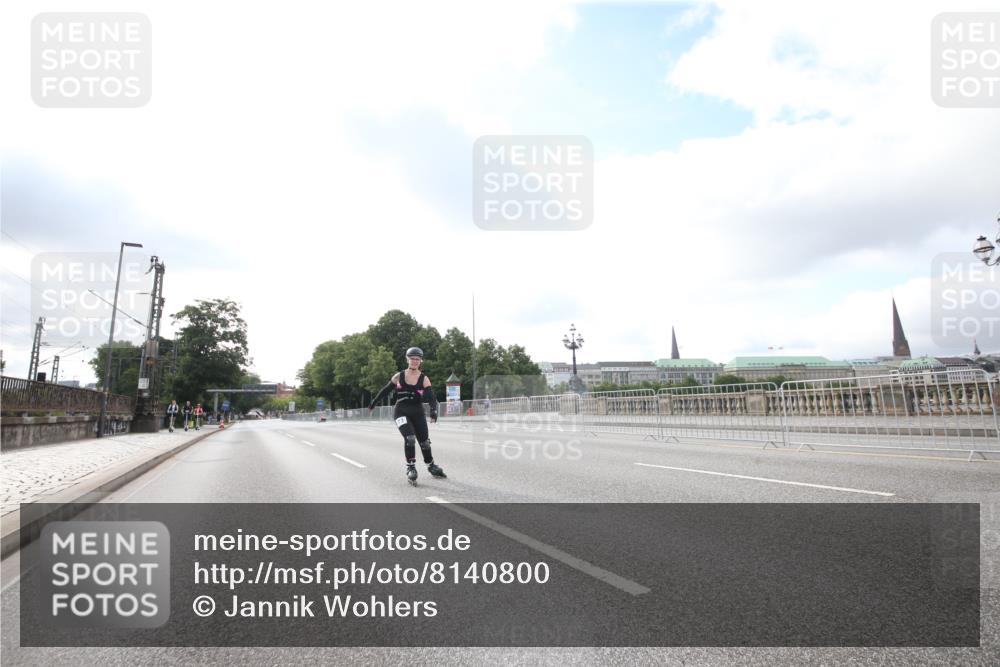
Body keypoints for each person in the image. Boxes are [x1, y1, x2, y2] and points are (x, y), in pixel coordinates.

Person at [368, 347, 445, 484]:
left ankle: (431, 465)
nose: (414, 361)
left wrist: (434, 411)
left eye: (417, 359)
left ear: (421, 361)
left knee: (425, 442)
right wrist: (373, 403)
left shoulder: (424, 379)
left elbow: (432, 398)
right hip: (401, 411)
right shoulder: (399, 376)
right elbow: (385, 391)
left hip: (418, 412)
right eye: (412, 358)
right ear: (407, 359)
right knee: (410, 438)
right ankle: (411, 467)